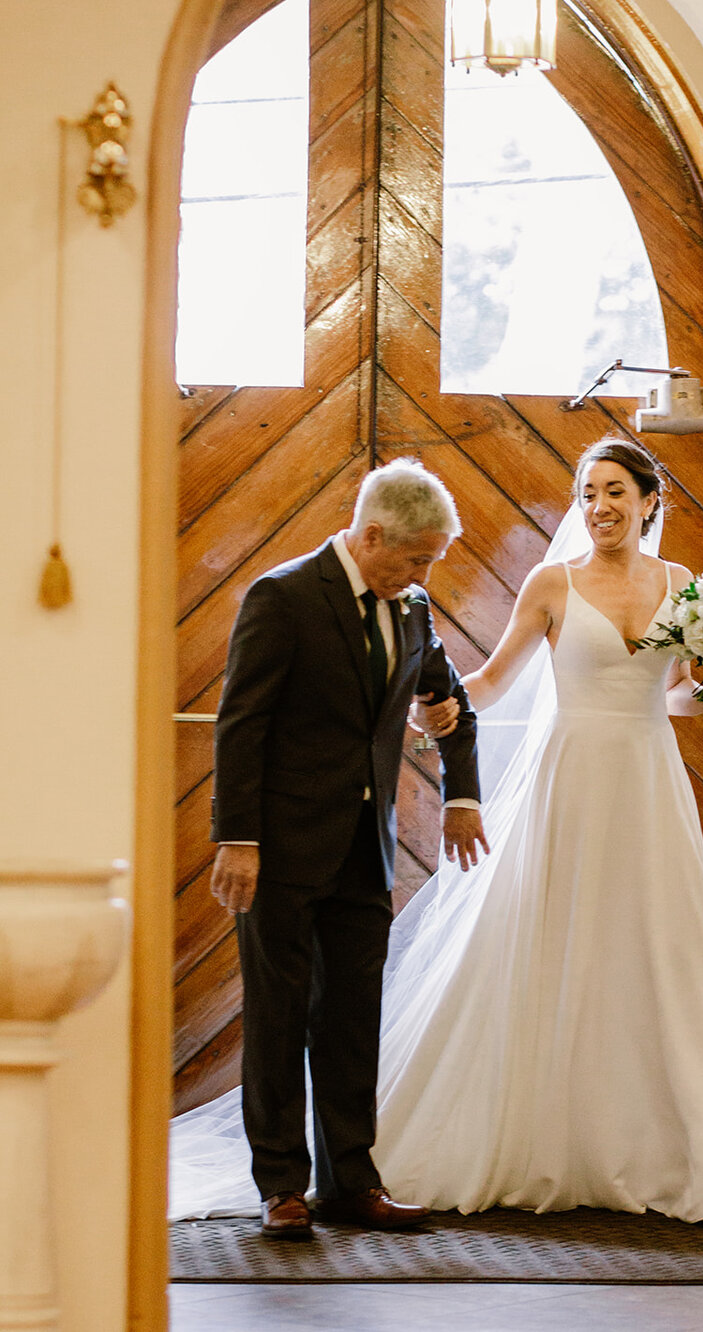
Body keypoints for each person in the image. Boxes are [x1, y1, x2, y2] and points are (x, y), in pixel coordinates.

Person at [374, 437, 703, 1220]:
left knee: (659, 946)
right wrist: (423, 700)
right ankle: (536, 1137)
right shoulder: (552, 584)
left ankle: (681, 1146)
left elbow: (680, 696)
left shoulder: (682, 585)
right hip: (569, 777)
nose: (599, 507)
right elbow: (491, 679)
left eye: (615, 491)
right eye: (587, 493)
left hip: (646, 781)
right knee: (553, 941)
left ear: (650, 500)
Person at [207, 458, 486, 1239]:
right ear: (370, 536)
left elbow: (449, 702)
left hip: (367, 852)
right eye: (415, 557)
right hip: (280, 850)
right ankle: (282, 1188)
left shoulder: (412, 609)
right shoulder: (285, 596)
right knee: (277, 1016)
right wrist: (238, 838)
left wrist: (461, 795)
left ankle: (351, 1182)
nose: (424, 573)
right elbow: (243, 723)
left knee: (352, 1019)